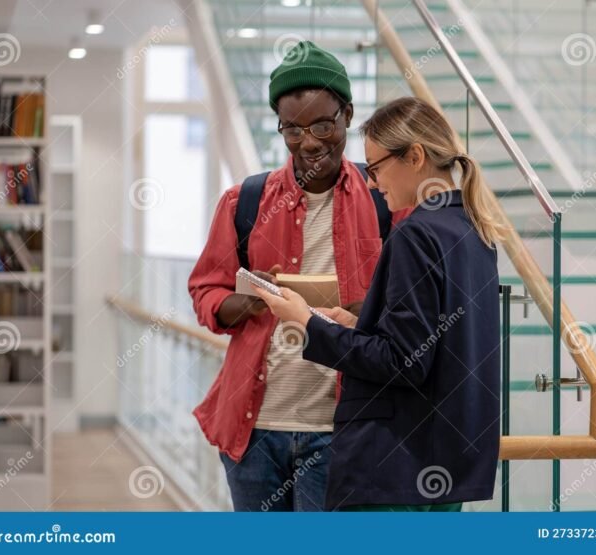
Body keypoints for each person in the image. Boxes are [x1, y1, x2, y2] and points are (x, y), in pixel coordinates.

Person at [254, 96, 505, 511]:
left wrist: (307, 323)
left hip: (394, 469)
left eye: (375, 168)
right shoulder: (473, 232)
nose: (371, 183)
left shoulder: (416, 235)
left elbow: (402, 363)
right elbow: (434, 349)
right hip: (443, 469)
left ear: (415, 156)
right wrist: (355, 327)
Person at [188, 41, 404, 512]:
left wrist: (357, 314)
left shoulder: (386, 199)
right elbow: (205, 289)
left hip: (339, 430)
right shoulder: (243, 202)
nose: (309, 142)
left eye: (323, 125)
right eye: (292, 129)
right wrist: (243, 303)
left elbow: (411, 305)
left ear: (347, 115)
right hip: (253, 431)